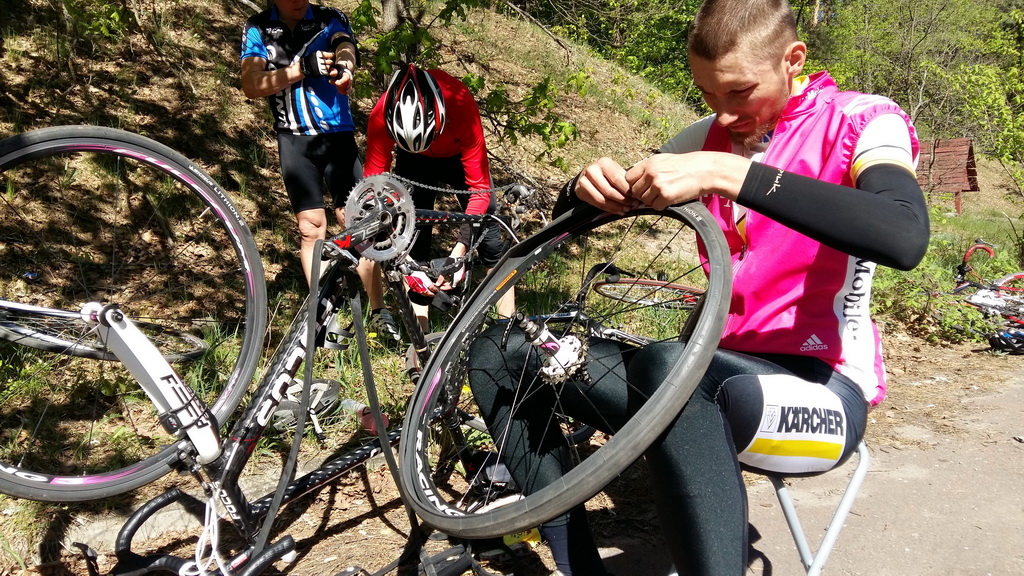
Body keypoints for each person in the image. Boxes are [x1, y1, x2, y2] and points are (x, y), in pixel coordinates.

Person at [468, 0, 930, 574]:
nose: (726, 114)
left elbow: (903, 235)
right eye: (708, 95)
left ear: (793, 59)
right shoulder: (705, 135)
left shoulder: (865, 119)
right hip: (703, 374)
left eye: (739, 92)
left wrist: (726, 172)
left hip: (825, 392)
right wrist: (581, 188)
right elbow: (587, 210)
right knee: (502, 354)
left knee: (675, 372)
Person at [240, 0, 399, 341]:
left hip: (337, 137)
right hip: (293, 138)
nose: (299, 1)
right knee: (311, 228)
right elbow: (251, 85)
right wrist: (300, 69)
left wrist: (345, 68)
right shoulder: (258, 27)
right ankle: (325, 315)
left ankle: (378, 310)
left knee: (360, 222)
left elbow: (345, 45)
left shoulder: (329, 17)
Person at [363, 63, 514, 332]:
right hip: (414, 160)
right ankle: (421, 341)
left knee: (490, 234)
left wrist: (459, 253)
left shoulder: (461, 104)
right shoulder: (380, 116)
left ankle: (508, 327)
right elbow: (372, 192)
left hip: (457, 157)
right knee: (414, 239)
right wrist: (404, 258)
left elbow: (479, 191)